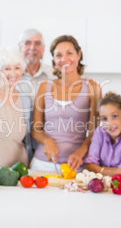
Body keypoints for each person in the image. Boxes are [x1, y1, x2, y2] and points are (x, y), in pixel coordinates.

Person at [31, 35, 102, 171]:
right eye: (58, 55)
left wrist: (80, 152)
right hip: (42, 163)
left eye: (69, 53)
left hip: (74, 165)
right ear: (54, 59)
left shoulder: (93, 88)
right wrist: (47, 141)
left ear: (78, 55)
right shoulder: (44, 86)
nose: (64, 59)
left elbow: (95, 133)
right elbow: (35, 131)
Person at [84, 92, 121, 179]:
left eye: (114, 116)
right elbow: (89, 165)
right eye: (104, 119)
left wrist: (99, 170)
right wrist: (111, 171)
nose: (110, 123)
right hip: (104, 186)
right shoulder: (99, 133)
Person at [16, 28, 54, 101]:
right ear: (20, 48)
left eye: (37, 43)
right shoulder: (13, 75)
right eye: (27, 43)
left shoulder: (53, 73)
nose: (32, 48)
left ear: (43, 49)